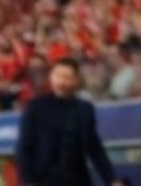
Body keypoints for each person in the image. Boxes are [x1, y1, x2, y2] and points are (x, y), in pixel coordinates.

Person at [15, 58, 114, 186]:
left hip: (78, 180)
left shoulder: (84, 109)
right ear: (51, 77)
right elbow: (24, 147)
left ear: (76, 80)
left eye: (67, 77)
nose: (61, 82)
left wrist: (111, 179)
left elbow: (94, 147)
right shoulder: (36, 107)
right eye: (58, 76)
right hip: (44, 180)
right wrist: (28, 181)